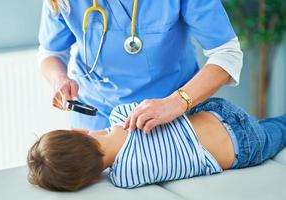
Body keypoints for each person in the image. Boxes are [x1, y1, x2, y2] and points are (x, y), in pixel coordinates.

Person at [39, 0, 243, 131]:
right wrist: (59, 79)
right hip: (95, 115)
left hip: (170, 115)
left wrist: (177, 102)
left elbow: (226, 53)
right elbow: (51, 52)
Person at [27, 98, 286, 191]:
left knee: (280, 129)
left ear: (91, 180)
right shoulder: (123, 114)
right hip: (219, 112)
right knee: (272, 124)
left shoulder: (126, 178)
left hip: (245, 148)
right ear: (81, 132)